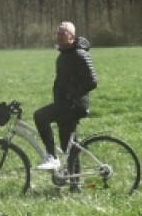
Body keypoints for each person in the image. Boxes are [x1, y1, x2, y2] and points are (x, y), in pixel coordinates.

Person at [33, 21, 98, 170]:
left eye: (63, 34)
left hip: (74, 105)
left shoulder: (79, 54)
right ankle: (74, 183)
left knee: (40, 116)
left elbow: (93, 81)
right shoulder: (63, 55)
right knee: (67, 145)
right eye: (57, 33)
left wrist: (72, 95)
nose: (59, 36)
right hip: (65, 104)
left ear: (72, 36)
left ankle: (51, 157)